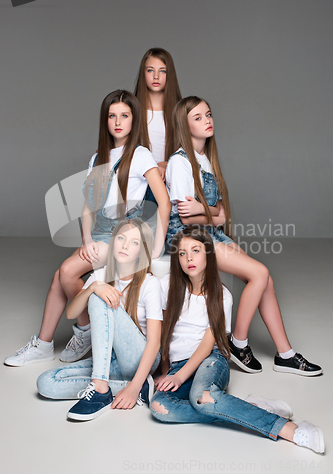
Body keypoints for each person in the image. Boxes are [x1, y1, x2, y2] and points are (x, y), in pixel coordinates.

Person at [4, 90, 170, 367]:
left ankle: (84, 330)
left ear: (134, 120)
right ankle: (45, 344)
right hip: (99, 234)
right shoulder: (97, 158)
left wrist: (155, 247)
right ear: (105, 120)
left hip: (124, 234)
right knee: (60, 277)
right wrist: (85, 239)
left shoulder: (140, 156)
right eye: (112, 115)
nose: (118, 122)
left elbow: (163, 203)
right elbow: (87, 207)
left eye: (125, 116)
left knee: (67, 272)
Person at [165, 96, 322, 376]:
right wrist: (210, 212)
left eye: (209, 114)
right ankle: (238, 343)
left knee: (266, 280)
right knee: (259, 273)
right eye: (198, 117)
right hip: (188, 236)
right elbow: (187, 218)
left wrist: (207, 210)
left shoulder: (207, 160)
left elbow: (223, 215)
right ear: (184, 125)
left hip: (210, 232)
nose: (207, 120)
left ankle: (285, 354)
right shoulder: (180, 163)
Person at [150, 227, 325, 454]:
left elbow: (206, 345)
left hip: (210, 360)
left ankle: (289, 429)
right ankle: (251, 409)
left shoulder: (222, 296)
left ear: (209, 254)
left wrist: (180, 376)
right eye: (182, 253)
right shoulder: (167, 284)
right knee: (159, 407)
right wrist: (167, 370)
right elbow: (164, 332)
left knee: (203, 397)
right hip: (178, 364)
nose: (189, 258)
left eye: (195, 250)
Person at [37, 219, 162, 421]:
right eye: (120, 238)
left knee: (98, 296)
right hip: (110, 361)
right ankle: (132, 386)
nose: (125, 245)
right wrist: (93, 287)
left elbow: (155, 342)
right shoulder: (101, 274)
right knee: (46, 382)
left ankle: (101, 390)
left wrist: (96, 292)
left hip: (139, 357)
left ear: (142, 251)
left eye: (134, 242)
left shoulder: (150, 284)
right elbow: (71, 313)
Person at [134, 47, 182, 180]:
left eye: (162, 71)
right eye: (150, 70)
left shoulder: (181, 111)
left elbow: (194, 151)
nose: (156, 76)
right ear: (143, 73)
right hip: (139, 180)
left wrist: (168, 163)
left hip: (172, 179)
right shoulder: (131, 110)